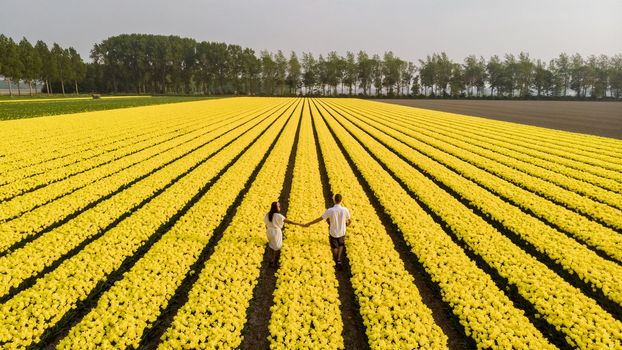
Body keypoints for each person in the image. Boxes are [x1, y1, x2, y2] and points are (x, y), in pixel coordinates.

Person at [305, 193, 351, 269]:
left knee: (334, 247)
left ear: (334, 200)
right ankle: (339, 259)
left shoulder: (330, 210)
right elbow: (349, 220)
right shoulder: (345, 210)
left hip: (333, 232)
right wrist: (346, 225)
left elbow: (320, 218)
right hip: (342, 231)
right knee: (341, 244)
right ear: (341, 200)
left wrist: (309, 223)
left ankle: (337, 260)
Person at [264, 201, 303, 267]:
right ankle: (275, 263)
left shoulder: (268, 214)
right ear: (275, 208)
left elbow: (266, 224)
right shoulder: (278, 216)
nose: (280, 207)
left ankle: (270, 261)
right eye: (278, 206)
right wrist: (300, 224)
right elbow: (289, 221)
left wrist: (268, 230)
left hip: (269, 231)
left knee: (271, 246)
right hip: (276, 232)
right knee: (278, 248)